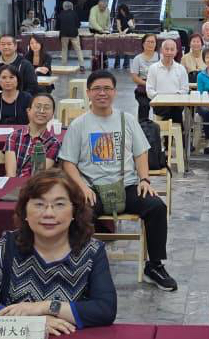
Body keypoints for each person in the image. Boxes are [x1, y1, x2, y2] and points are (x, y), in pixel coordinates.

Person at [60, 70, 177, 291]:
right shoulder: (79, 124)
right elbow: (68, 162)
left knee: (156, 207)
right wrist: (82, 186)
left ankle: (154, 266)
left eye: (107, 88)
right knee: (80, 212)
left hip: (127, 185)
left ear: (114, 92)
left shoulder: (127, 120)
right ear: (88, 93)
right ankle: (80, 267)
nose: (102, 93)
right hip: (92, 187)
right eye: (97, 89)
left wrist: (144, 180)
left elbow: (140, 153)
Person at [0, 170, 116, 331]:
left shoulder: (92, 251)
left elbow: (105, 309)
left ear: (74, 211)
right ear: (25, 211)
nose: (49, 213)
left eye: (59, 204)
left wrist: (45, 307)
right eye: (39, 204)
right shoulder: (8, 244)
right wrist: (31, 323)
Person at [4, 93, 61, 178]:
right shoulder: (14, 136)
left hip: (35, 184)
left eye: (46, 108)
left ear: (52, 114)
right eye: (38, 107)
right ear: (28, 111)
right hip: (14, 182)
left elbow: (38, 175)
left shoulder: (53, 143)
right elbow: (11, 174)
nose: (41, 111)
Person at [146, 37, 189, 127]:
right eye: (166, 49)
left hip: (177, 103)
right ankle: (178, 132)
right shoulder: (153, 68)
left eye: (172, 50)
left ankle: (169, 133)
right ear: (161, 50)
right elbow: (149, 90)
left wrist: (174, 98)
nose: (169, 52)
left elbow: (185, 89)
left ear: (176, 52)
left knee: (175, 109)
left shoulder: (181, 68)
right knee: (173, 111)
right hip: (159, 104)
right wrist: (161, 98)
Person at [129, 33, 160, 120]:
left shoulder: (160, 57)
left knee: (161, 107)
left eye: (152, 42)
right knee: (144, 106)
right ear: (143, 44)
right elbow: (134, 77)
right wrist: (147, 84)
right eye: (148, 42)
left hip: (158, 87)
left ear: (156, 44)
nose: (150, 44)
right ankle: (143, 125)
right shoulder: (137, 59)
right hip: (143, 87)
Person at [56, 0, 86, 68]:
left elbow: (57, 27)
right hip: (74, 34)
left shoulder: (61, 14)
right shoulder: (74, 13)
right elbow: (78, 25)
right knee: (78, 50)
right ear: (71, 7)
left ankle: (64, 65)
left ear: (64, 7)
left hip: (64, 35)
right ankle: (82, 65)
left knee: (64, 50)